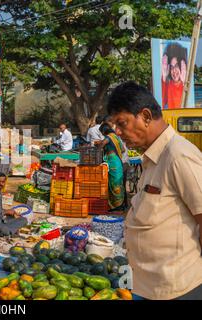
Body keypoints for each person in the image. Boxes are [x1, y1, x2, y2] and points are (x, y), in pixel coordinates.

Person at [107, 81, 202, 300]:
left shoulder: (179, 156)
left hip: (179, 289)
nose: (118, 132)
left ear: (146, 116)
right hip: (150, 287)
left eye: (122, 123)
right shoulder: (152, 159)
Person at [95, 123, 126, 211]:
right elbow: (123, 149)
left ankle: (116, 206)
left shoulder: (108, 137)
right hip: (117, 161)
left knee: (114, 183)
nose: (102, 134)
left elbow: (101, 145)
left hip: (113, 162)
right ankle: (119, 205)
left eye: (102, 132)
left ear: (104, 131)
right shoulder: (115, 137)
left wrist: (99, 144)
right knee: (118, 183)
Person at [161, 43, 187, 109]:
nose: (174, 71)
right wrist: (164, 77)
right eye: (172, 67)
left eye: (176, 66)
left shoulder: (186, 85)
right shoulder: (167, 85)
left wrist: (184, 83)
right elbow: (161, 105)